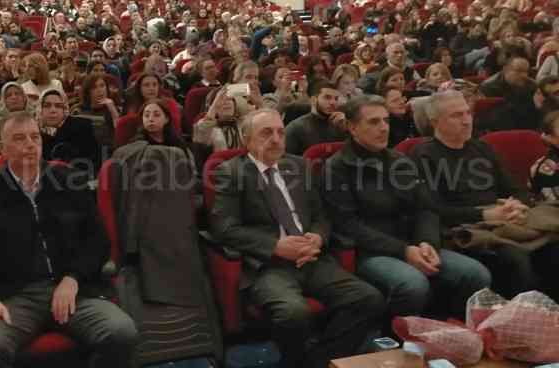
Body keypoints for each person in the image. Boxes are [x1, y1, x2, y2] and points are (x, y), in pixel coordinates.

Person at [210, 108, 384, 368]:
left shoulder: (299, 166)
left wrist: (318, 236)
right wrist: (275, 246)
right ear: (247, 140)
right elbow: (224, 228)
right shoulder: (231, 172)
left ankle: (317, 360)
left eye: (281, 132)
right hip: (269, 266)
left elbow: (321, 214)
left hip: (312, 258)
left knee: (368, 298)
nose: (276, 139)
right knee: (294, 313)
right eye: (266, 133)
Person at [0, 112, 138, 368]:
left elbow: (97, 240)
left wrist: (73, 277)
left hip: (72, 290)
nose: (30, 144)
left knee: (122, 332)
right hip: (16, 296)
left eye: (35, 137)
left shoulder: (69, 182)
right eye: (20, 138)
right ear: (2, 148)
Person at [321, 97, 490, 320]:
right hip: (370, 251)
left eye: (386, 121)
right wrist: (403, 251)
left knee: (475, 274)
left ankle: (449, 331)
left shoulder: (399, 160)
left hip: (415, 244)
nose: (383, 128)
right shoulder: (337, 168)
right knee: (413, 284)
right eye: (373, 122)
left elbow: (426, 208)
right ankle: (395, 342)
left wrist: (427, 242)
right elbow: (348, 225)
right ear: (353, 128)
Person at [410, 90, 559, 300]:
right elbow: (433, 209)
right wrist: (486, 216)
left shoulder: (482, 148)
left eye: (467, 113)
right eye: (456, 116)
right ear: (435, 122)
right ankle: (519, 322)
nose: (466, 121)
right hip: (464, 229)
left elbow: (516, 190)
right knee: (515, 258)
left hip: (506, 221)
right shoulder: (423, 155)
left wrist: (516, 205)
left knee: (553, 248)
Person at [39, 88, 100, 169]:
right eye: (47, 106)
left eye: (58, 106)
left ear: (65, 109)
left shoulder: (81, 126)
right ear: (40, 109)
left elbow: (90, 164)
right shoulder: (33, 132)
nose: (53, 110)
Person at [284, 80, 347, 155]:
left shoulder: (340, 125)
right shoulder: (296, 129)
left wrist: (347, 127)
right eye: (327, 97)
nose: (333, 102)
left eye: (336, 98)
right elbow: (286, 161)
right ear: (313, 100)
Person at [73, 73, 121, 150]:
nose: (99, 90)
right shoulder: (78, 110)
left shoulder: (115, 109)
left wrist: (113, 110)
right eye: (94, 87)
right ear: (88, 92)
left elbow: (120, 134)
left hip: (108, 151)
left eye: (102, 86)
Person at [193, 86, 243, 151]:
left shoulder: (243, 123)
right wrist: (214, 104)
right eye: (221, 99)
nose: (226, 102)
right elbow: (201, 134)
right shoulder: (209, 127)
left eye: (230, 99)